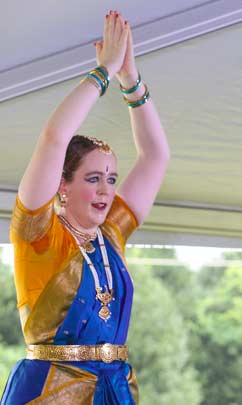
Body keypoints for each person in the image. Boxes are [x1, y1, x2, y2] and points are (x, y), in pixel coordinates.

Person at [1, 11, 169, 405]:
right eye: (93, 178)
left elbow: (156, 156)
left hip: (113, 388)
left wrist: (132, 80)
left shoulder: (110, 234)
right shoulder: (37, 233)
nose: (106, 191)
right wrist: (104, 72)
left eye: (111, 179)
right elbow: (54, 137)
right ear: (62, 184)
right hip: (49, 391)